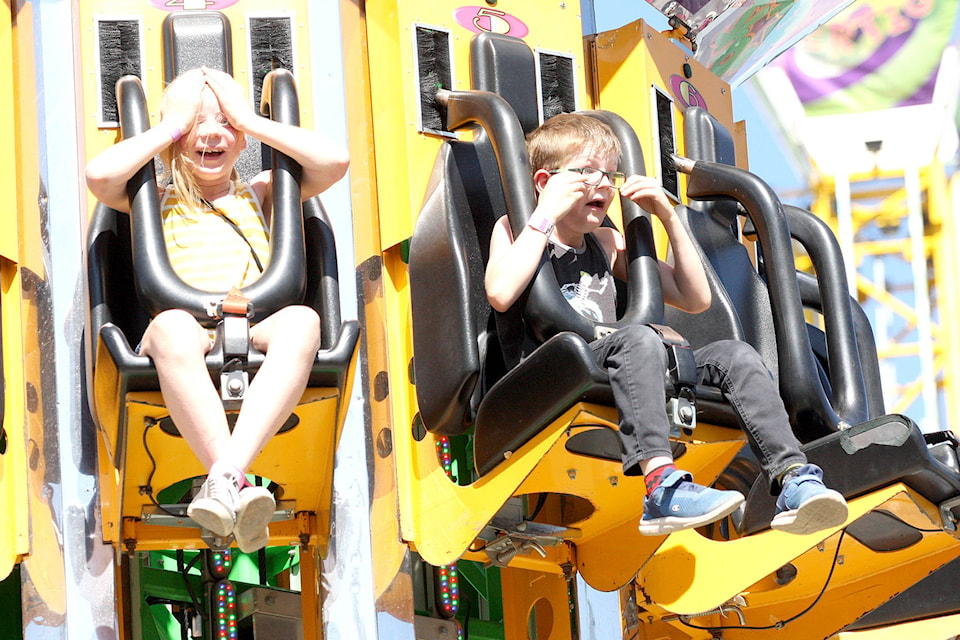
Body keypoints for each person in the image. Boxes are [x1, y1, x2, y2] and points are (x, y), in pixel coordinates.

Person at [485, 113, 847, 536]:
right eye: (584, 173)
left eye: (608, 175)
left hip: (621, 360)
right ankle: (661, 488)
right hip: (553, 369)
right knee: (637, 337)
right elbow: (501, 292)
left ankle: (792, 478)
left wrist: (668, 217)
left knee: (736, 355)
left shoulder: (606, 241)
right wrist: (543, 216)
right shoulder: (518, 229)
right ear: (545, 181)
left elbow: (694, 297)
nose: (600, 184)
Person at [85, 67, 350, 552]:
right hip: (188, 327)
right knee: (169, 329)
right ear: (173, 139)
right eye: (194, 124)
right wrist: (168, 128)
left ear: (243, 140)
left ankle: (225, 476)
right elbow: (99, 175)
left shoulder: (264, 190)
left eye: (224, 123)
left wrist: (250, 119)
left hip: (254, 322)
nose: (210, 133)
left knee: (305, 323)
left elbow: (336, 161)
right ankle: (237, 481)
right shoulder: (151, 199)